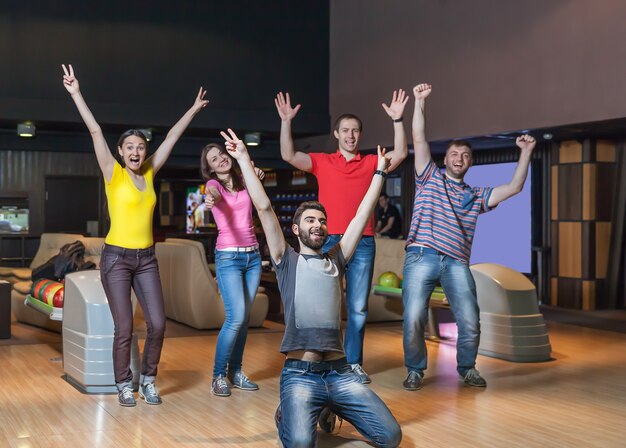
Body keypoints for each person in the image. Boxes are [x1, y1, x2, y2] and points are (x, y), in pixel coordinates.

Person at [221, 128, 401, 448]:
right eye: (310, 221)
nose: (317, 225)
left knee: (390, 437)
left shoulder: (338, 259)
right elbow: (263, 208)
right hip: (300, 375)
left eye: (321, 221)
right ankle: (289, 413)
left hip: (340, 373)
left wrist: (378, 172)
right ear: (295, 229)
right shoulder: (286, 261)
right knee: (302, 444)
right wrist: (244, 160)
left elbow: (361, 214)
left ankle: (328, 407)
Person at [62, 64, 208, 406]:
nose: (135, 151)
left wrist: (192, 109)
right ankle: (124, 383)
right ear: (120, 152)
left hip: (146, 259)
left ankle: (149, 378)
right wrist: (76, 93)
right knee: (124, 329)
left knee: (158, 324)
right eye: (129, 146)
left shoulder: (151, 171)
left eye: (140, 146)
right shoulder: (113, 173)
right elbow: (96, 132)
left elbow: (172, 136)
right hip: (116, 259)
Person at [402, 83, 536, 390]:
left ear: (470, 162)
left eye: (464, 154)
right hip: (421, 254)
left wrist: (526, 152)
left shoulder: (477, 196)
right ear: (445, 159)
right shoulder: (428, 177)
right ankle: (415, 370)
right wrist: (420, 102)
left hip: (457, 263)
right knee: (412, 317)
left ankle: (467, 368)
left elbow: (514, 187)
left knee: (471, 319)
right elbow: (419, 137)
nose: (459, 157)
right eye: (453, 153)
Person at [275, 90, 409, 383]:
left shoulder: (371, 162)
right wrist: (287, 122)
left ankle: (353, 364)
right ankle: (327, 360)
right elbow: (288, 155)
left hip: (363, 241)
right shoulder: (323, 161)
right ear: (336, 133)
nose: (350, 135)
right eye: (345, 130)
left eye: (355, 131)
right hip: (328, 241)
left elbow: (399, 155)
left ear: (360, 135)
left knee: (358, 308)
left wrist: (398, 120)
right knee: (328, 306)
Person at [200, 143, 265, 397]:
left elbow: (257, 187)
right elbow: (213, 194)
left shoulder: (244, 178)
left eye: (222, 155)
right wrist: (210, 199)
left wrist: (255, 174)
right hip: (228, 257)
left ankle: (235, 372)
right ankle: (218, 375)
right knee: (235, 317)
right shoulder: (213, 186)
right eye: (214, 159)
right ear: (211, 168)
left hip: (253, 257)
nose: (220, 160)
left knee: (245, 319)